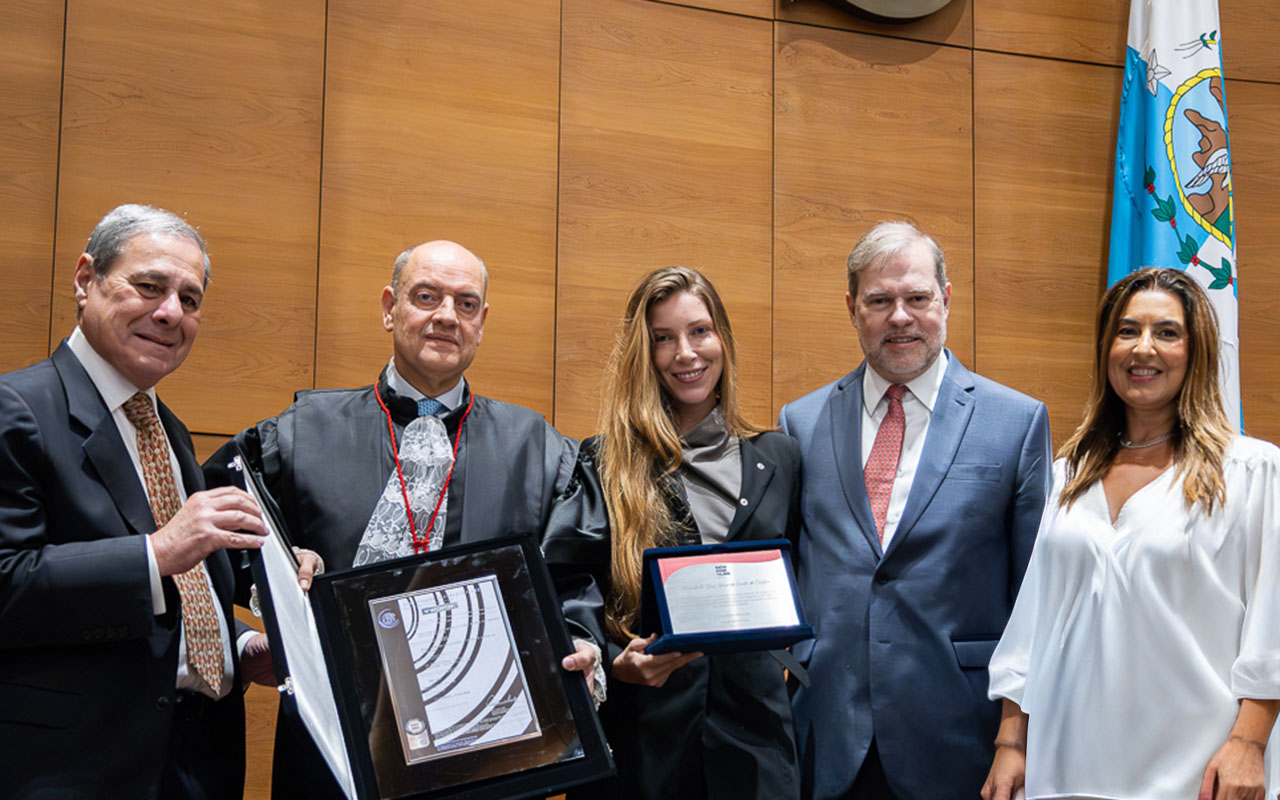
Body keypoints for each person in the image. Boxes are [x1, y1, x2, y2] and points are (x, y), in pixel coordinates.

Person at [205, 239, 599, 799]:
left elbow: (575, 576)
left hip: (488, 749)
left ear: (482, 323)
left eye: (466, 304)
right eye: (426, 296)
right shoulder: (299, 432)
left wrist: (581, 643)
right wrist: (274, 578)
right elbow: (215, 527)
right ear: (390, 307)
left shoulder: (537, 448)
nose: (446, 316)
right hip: (335, 743)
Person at [0, 204, 270, 798]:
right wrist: (156, 552)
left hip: (195, 762)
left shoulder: (164, 427)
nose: (171, 312)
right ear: (84, 279)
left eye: (190, 300)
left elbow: (182, 596)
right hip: (72, 768)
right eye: (149, 286)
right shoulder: (16, 409)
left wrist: (241, 646)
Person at [778, 220, 1053, 800]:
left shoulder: (1016, 422)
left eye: (917, 297)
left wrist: (1017, 737)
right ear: (852, 308)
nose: (899, 316)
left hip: (961, 737)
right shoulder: (799, 423)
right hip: (827, 737)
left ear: (945, 300)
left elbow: (1039, 599)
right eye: (879, 300)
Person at [982, 267, 1280, 800]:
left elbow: (1274, 622)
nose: (1143, 348)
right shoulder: (1070, 472)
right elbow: (1034, 619)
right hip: (1065, 764)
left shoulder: (1253, 471)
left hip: (1198, 770)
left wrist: (1249, 744)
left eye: (1166, 332)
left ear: (1197, 351)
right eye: (1126, 331)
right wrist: (1012, 744)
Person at [542, 266, 802, 800]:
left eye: (700, 331)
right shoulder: (602, 460)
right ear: (645, 353)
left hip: (756, 749)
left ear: (722, 340)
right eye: (663, 339)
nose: (686, 353)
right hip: (643, 747)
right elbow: (570, 588)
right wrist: (616, 662)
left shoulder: (778, 456)